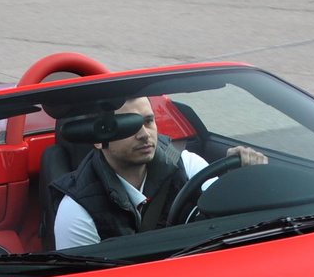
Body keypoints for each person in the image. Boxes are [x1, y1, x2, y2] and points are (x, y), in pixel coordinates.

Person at [51, 96, 266, 250]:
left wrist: (246, 180)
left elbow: (230, 219)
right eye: (129, 126)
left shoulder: (187, 165)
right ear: (99, 140)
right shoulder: (77, 211)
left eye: (148, 121)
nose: (145, 135)